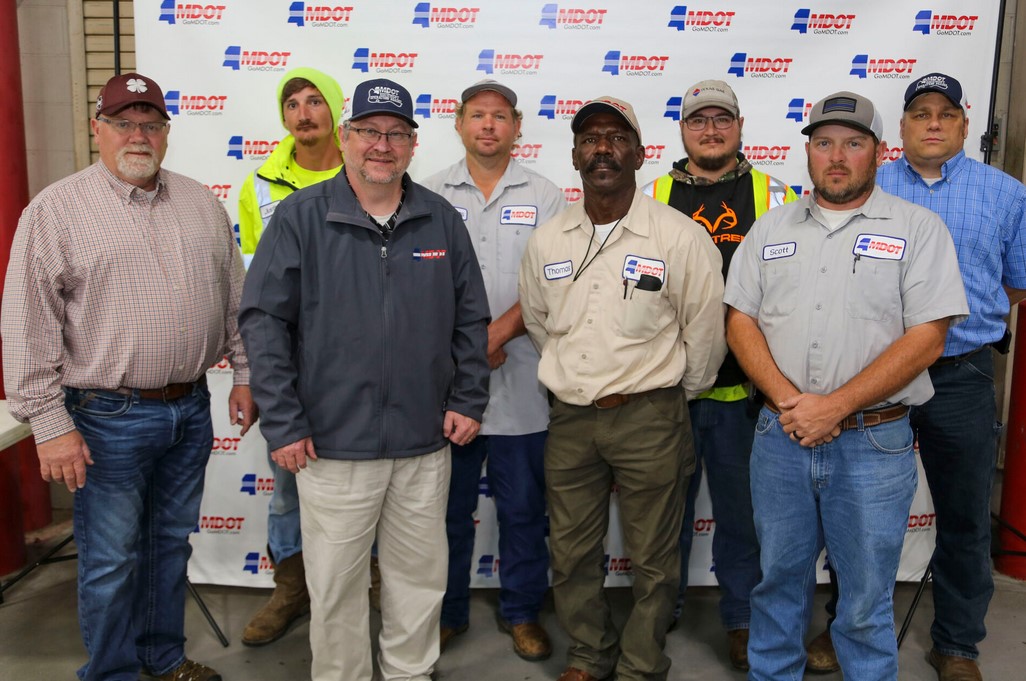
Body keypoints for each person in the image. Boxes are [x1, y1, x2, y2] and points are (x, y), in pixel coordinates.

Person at [1, 72, 256, 681]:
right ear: (98, 128)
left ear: (166, 132)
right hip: (102, 417)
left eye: (150, 124)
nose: (138, 135)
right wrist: (51, 426)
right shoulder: (56, 211)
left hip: (189, 408)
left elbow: (235, 301)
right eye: (123, 123)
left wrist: (245, 373)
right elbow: (26, 326)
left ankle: (161, 658)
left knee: (169, 544)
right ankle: (112, 673)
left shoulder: (201, 202)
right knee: (111, 559)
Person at [238, 78, 490, 681]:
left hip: (423, 443)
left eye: (396, 133)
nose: (383, 144)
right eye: (370, 131)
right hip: (331, 446)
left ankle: (410, 673)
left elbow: (471, 317)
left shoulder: (440, 220)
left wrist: (468, 397)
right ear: (347, 137)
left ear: (413, 144)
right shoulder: (301, 217)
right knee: (335, 588)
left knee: (418, 580)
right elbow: (263, 322)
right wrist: (284, 423)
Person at [723, 91, 969, 681]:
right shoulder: (771, 227)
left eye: (853, 143)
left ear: (878, 153)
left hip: (873, 443)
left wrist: (833, 406)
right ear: (808, 152)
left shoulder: (918, 228)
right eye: (824, 143)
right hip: (781, 436)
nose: (837, 157)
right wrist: (792, 403)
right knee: (777, 585)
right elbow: (739, 320)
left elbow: (928, 338)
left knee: (863, 601)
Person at [808, 72, 1026, 681]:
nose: (933, 123)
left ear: (965, 124)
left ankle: (957, 645)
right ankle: (844, 629)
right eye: (921, 114)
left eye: (946, 114)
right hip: (874, 378)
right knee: (855, 515)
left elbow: (1014, 285)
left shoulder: (1006, 193)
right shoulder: (867, 185)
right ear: (900, 128)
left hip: (960, 374)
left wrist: (958, 325)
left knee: (963, 517)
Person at [519, 96, 727, 681]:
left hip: (650, 417)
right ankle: (588, 653)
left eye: (616, 138)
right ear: (575, 155)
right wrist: (577, 379)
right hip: (571, 419)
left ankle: (639, 664)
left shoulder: (678, 236)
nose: (602, 149)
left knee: (655, 559)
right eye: (590, 139)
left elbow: (705, 333)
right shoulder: (549, 240)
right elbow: (539, 324)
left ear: (639, 154)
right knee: (570, 553)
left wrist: (669, 395)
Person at [643, 79, 797, 671]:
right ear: (682, 130)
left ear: (740, 126)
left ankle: (742, 621)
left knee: (744, 520)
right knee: (662, 519)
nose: (710, 130)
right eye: (698, 121)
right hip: (667, 393)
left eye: (722, 120)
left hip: (746, 396)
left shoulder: (777, 195)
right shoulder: (650, 195)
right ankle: (657, 616)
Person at [422, 79, 564, 660]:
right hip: (447, 384)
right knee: (445, 511)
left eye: (500, 116)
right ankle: (447, 613)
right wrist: (467, 348)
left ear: (517, 127)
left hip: (522, 380)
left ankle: (522, 611)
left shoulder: (547, 195)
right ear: (458, 123)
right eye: (477, 115)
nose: (488, 125)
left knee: (524, 509)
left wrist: (496, 335)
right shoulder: (427, 193)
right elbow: (415, 282)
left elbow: (555, 282)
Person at [237, 66, 345, 648]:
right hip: (290, 369)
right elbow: (254, 295)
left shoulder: (370, 170)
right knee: (286, 488)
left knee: (369, 481)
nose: (303, 113)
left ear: (335, 109)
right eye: (293, 104)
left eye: (314, 101)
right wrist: (256, 374)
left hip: (359, 363)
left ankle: (367, 580)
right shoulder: (258, 187)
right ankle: (290, 589)